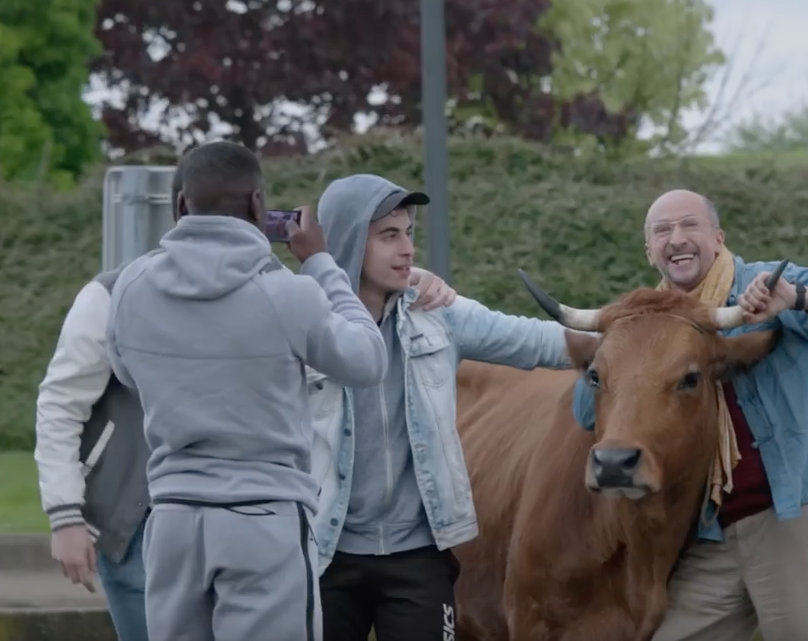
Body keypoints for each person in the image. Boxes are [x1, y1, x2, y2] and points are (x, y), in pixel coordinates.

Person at [571, 189, 808, 641]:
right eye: (662, 231)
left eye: (690, 225)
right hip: (707, 530)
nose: (677, 238)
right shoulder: (643, 320)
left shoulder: (765, 286)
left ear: (718, 237)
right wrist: (621, 358)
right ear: (649, 251)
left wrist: (796, 298)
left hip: (790, 519)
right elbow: (586, 412)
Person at [104, 141, 388, 641]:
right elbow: (367, 360)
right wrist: (321, 264)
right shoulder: (287, 292)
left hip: (172, 519)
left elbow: (128, 373)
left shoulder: (132, 286)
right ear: (258, 205)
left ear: (180, 206)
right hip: (264, 520)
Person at [310, 173, 574, 641]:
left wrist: (635, 335)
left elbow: (538, 342)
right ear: (349, 240)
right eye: (389, 236)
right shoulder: (301, 319)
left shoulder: (437, 314)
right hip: (323, 553)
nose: (408, 249)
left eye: (409, 233)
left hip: (418, 556)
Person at [33, 164, 191, 641]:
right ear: (181, 210)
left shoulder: (266, 296)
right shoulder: (109, 294)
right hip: (133, 520)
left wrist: (405, 284)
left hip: (231, 519)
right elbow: (61, 403)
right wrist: (65, 516)